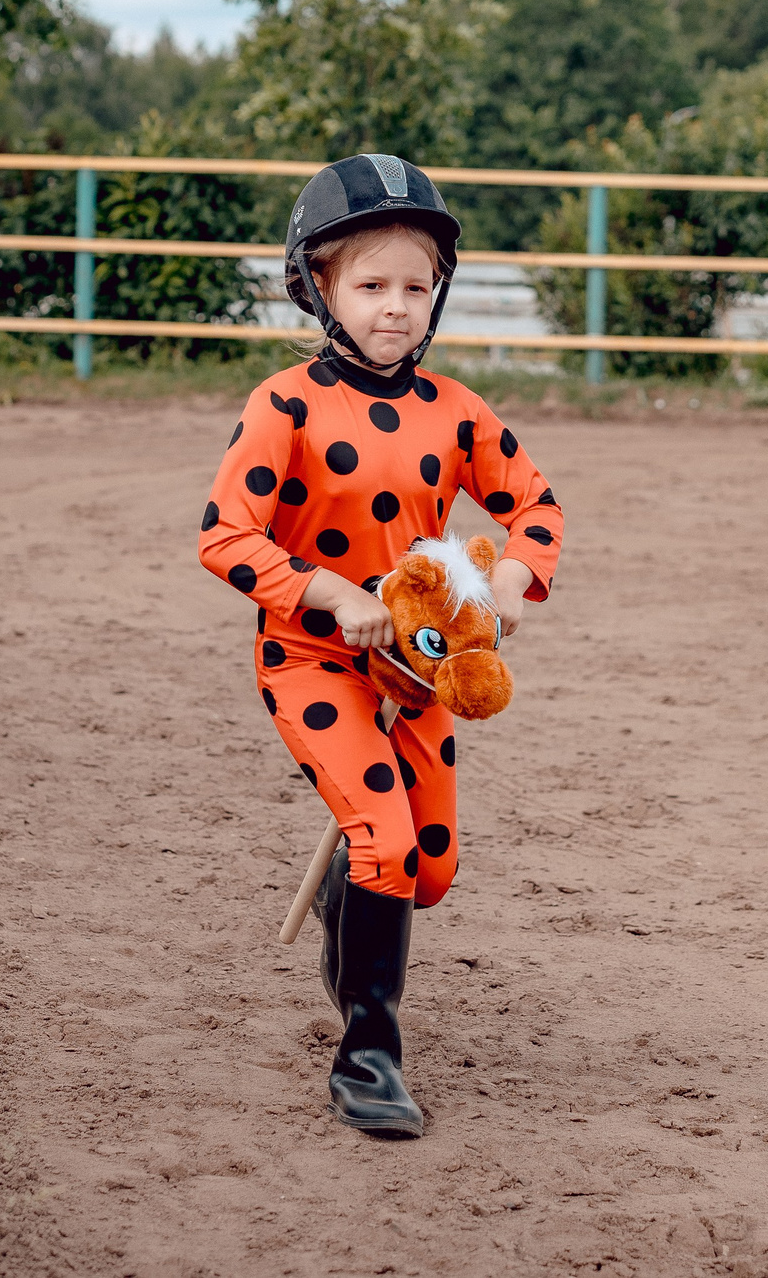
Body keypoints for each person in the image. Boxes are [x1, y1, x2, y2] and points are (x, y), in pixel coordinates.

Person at [198, 154, 564, 1139]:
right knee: (388, 844)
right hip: (311, 661)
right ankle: (368, 1056)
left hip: (417, 670)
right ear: (317, 286)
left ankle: (352, 891)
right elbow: (225, 536)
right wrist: (327, 591)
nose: (395, 307)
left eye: (415, 285)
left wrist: (513, 580)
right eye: (370, 286)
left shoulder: (455, 409)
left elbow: (535, 504)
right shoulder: (284, 405)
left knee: (427, 870)